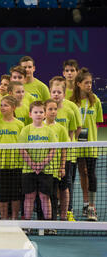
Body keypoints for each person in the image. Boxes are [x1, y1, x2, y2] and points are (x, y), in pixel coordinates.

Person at [70, 68, 103, 221]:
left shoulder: (95, 100)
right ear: (78, 84)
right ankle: (83, 203)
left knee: (91, 174)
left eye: (90, 83)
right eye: (86, 83)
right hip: (75, 146)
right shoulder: (71, 102)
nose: (89, 85)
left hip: (90, 145)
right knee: (78, 174)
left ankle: (91, 207)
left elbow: (96, 123)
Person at [18, 101, 56, 221]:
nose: (38, 114)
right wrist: (33, 165)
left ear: (45, 114)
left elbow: (53, 150)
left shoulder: (49, 131)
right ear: (30, 114)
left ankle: (48, 226)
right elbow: (22, 149)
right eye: (35, 112)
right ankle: (28, 225)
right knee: (29, 197)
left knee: (45, 197)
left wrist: (42, 164)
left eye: (41, 112)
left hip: (46, 170)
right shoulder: (25, 130)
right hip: (29, 170)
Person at [50, 76, 81, 221]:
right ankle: (54, 212)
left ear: (63, 94)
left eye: (59, 92)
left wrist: (66, 149)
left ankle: (67, 213)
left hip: (66, 156)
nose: (56, 94)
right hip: (50, 158)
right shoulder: (47, 108)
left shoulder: (69, 110)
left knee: (65, 186)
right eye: (53, 92)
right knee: (53, 187)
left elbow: (72, 132)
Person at [0, 95, 24, 220]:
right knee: (3, 193)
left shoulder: (20, 124)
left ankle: (14, 217)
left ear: (13, 107)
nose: (2, 107)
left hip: (16, 163)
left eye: (5, 105)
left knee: (15, 193)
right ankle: (4, 218)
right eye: (1, 105)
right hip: (0, 163)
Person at [44, 99, 70, 222]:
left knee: (54, 196)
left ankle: (53, 223)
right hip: (41, 169)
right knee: (43, 197)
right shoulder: (38, 127)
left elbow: (64, 150)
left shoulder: (61, 129)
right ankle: (44, 223)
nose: (53, 112)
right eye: (50, 109)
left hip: (54, 169)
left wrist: (62, 167)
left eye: (55, 109)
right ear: (44, 111)